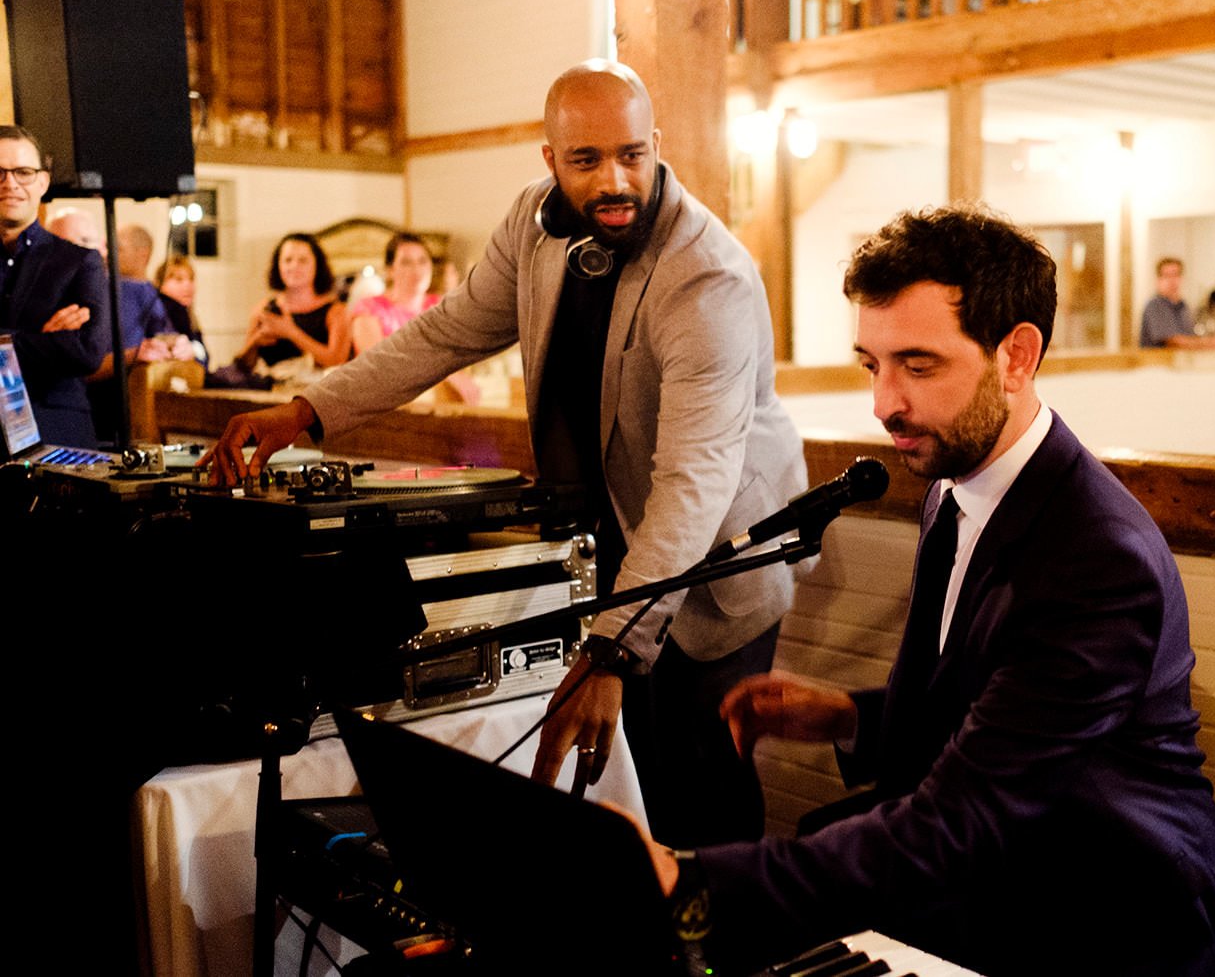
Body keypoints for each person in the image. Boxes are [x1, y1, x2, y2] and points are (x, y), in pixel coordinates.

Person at [203, 59, 809, 848]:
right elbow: (446, 332)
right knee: (631, 789)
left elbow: (693, 482)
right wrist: (309, 407)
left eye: (632, 153)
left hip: (715, 558)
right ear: (550, 160)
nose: (616, 179)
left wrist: (611, 651)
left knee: (699, 786)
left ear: (656, 143)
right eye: (587, 161)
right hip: (611, 537)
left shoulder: (707, 277)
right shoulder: (535, 223)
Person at [642, 204, 1215, 976]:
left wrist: (698, 881)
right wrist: (852, 715)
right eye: (873, 363)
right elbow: (990, 709)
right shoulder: (954, 487)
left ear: (1017, 356)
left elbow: (965, 817)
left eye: (918, 366)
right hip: (1005, 887)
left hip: (1116, 922)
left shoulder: (1099, 558)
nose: (884, 403)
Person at [0, 125, 110, 447]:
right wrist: (39, 338)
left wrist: (5, 343)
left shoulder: (79, 262)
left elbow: (87, 353)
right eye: (0, 172)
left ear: (43, 182)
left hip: (58, 435)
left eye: (23, 172)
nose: (11, 184)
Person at [85, 224, 188, 442]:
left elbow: (167, 337)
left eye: (118, 248)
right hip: (97, 402)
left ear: (143, 255)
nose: (108, 254)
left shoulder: (157, 298)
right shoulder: (97, 289)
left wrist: (181, 347)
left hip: (138, 405)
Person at [349, 232, 478, 403]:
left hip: (439, 402)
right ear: (390, 270)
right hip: (387, 404)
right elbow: (377, 366)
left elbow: (459, 355)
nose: (417, 270)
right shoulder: (370, 309)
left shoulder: (440, 306)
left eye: (422, 261)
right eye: (406, 262)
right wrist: (444, 372)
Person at [232, 232, 351, 372]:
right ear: (278, 266)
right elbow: (243, 367)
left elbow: (337, 360)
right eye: (288, 260)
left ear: (317, 266)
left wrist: (291, 332)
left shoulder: (335, 311)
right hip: (269, 389)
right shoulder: (264, 308)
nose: (294, 266)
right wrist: (255, 341)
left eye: (303, 260)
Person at [1139, 255, 1207, 348]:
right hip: (1157, 361)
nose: (1172, 281)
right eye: (1167, 276)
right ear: (1158, 280)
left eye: (1176, 275)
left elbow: (1190, 337)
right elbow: (1174, 342)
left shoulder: (1183, 306)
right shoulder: (1155, 305)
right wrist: (1212, 343)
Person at [155, 254, 209, 366]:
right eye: (178, 279)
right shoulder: (156, 315)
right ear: (161, 284)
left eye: (191, 279)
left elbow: (206, 359)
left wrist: (194, 351)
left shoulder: (189, 316)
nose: (188, 285)